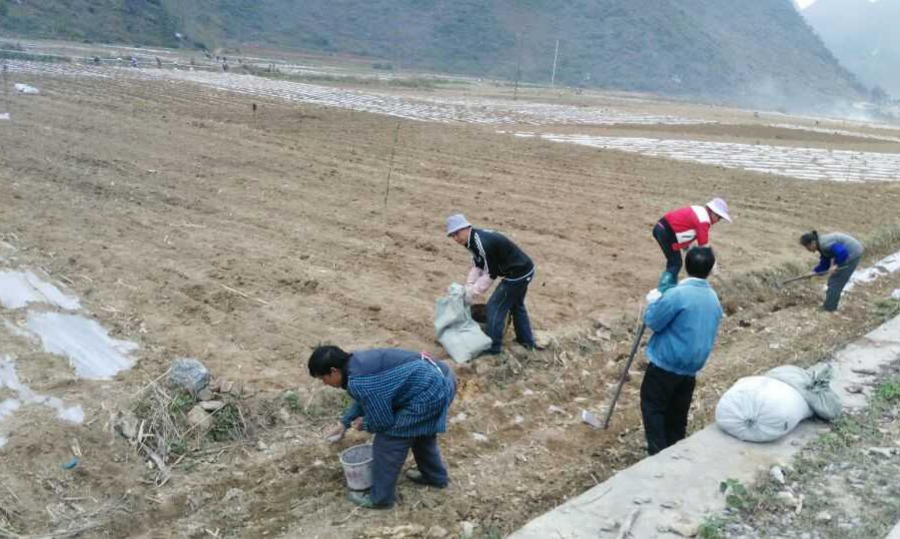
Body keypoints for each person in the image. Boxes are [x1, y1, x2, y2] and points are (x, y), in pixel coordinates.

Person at [310, 346, 456, 509]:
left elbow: (383, 422)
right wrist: (344, 422)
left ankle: (381, 499)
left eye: (323, 378)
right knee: (420, 434)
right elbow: (367, 398)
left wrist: (363, 424)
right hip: (442, 377)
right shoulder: (355, 363)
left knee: (388, 443)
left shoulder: (359, 381)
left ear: (334, 371)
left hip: (431, 391)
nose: (324, 383)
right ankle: (435, 478)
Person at [640, 247, 722, 455]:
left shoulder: (678, 294)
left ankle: (658, 454)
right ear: (710, 270)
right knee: (677, 413)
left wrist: (653, 302)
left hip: (667, 363)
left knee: (653, 407)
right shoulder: (713, 298)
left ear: (686, 266)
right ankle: (674, 452)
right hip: (691, 368)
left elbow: (653, 322)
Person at [445, 213, 537, 354]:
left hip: (517, 274)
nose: (455, 238)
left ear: (466, 227)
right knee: (516, 305)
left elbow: (491, 273)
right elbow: (478, 264)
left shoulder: (481, 243)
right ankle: (526, 341)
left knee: (495, 307)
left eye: (457, 233)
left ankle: (492, 349)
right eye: (452, 235)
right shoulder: (471, 240)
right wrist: (469, 284)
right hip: (524, 269)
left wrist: (473, 292)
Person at [653, 198, 731, 292]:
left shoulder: (700, 211)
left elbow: (685, 225)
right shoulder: (704, 220)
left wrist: (686, 246)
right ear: (713, 213)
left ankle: (670, 287)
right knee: (675, 263)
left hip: (662, 228)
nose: (719, 220)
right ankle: (663, 289)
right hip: (665, 232)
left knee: (675, 262)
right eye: (719, 217)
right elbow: (704, 246)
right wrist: (713, 265)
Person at [800, 231, 864, 312]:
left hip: (852, 252)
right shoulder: (821, 244)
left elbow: (842, 252)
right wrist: (814, 272)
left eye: (807, 246)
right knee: (834, 281)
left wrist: (836, 265)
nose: (807, 249)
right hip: (850, 251)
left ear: (812, 243)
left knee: (835, 282)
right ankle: (830, 305)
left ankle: (829, 308)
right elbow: (825, 262)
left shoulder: (824, 244)